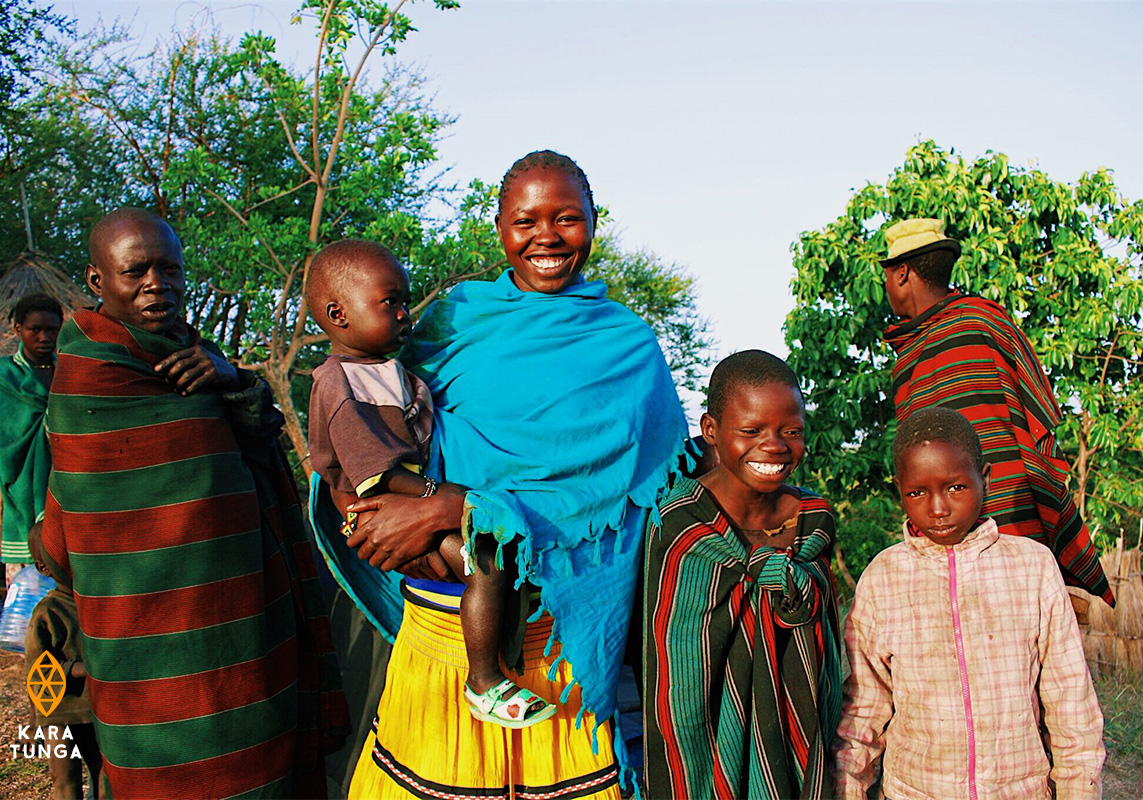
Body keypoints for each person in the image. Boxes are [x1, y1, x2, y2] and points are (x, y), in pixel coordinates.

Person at [342, 151, 688, 799]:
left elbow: (629, 493)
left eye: (567, 219)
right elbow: (367, 423)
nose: (547, 237)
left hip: (557, 645)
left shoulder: (629, 346)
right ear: (499, 226)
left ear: (594, 222)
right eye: (526, 220)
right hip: (441, 631)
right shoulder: (451, 323)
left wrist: (457, 507)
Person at [40, 207, 349, 799]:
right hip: (146, 651)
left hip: (244, 636)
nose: (158, 284)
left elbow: (263, 448)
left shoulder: (199, 358)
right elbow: (64, 544)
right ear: (97, 281)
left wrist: (233, 377)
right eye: (136, 272)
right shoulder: (88, 382)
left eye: (170, 270)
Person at [306, 239, 555, 727]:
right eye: (390, 302)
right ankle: (483, 682)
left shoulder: (386, 370)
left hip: (403, 504)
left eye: (405, 302)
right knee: (484, 560)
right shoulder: (339, 383)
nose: (405, 315)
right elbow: (375, 470)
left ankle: (500, 664)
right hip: (381, 510)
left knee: (493, 564)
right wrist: (447, 499)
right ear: (339, 314)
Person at [833, 406, 1105, 799]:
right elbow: (864, 707)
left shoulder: (1032, 568)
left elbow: (1070, 700)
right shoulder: (883, 578)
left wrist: (1080, 789)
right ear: (899, 490)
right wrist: (849, 789)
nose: (938, 508)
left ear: (986, 480)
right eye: (917, 492)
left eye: (956, 487)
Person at [880, 218, 1113, 606]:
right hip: (1011, 519)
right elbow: (1034, 416)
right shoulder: (985, 321)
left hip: (1004, 525)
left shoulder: (955, 333)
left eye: (887, 276)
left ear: (902, 273)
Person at [643, 350, 841, 800]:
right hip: (701, 746)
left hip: (799, 739)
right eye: (751, 431)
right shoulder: (681, 525)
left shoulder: (814, 520)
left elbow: (822, 643)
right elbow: (676, 675)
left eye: (791, 431)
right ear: (710, 430)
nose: (774, 445)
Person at [24, 522, 106, 800]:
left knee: (104, 774)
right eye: (64, 556)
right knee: (65, 783)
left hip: (93, 711)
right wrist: (77, 668)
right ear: (44, 568)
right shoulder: (48, 612)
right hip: (58, 715)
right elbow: (35, 672)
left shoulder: (94, 603)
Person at [0, 292, 62, 567]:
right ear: (18, 329)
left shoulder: (69, 369)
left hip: (70, 490)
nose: (44, 337)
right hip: (27, 494)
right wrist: (56, 418)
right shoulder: (4, 376)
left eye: (52, 329)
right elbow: (7, 440)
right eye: (35, 329)